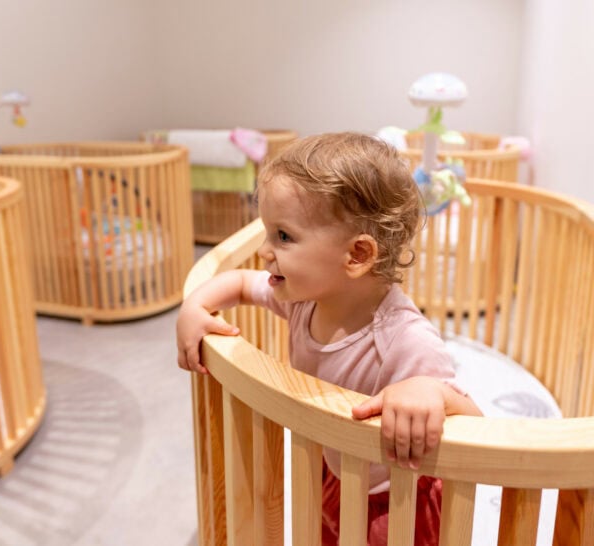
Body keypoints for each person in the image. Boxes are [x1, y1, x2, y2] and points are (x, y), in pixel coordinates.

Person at [175, 132, 482, 545]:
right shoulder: (304, 299)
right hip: (336, 467)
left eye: (283, 236)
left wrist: (430, 392)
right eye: (267, 233)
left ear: (356, 255)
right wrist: (194, 307)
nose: (265, 251)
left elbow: (474, 424)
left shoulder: (404, 340)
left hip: (396, 497)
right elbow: (241, 283)